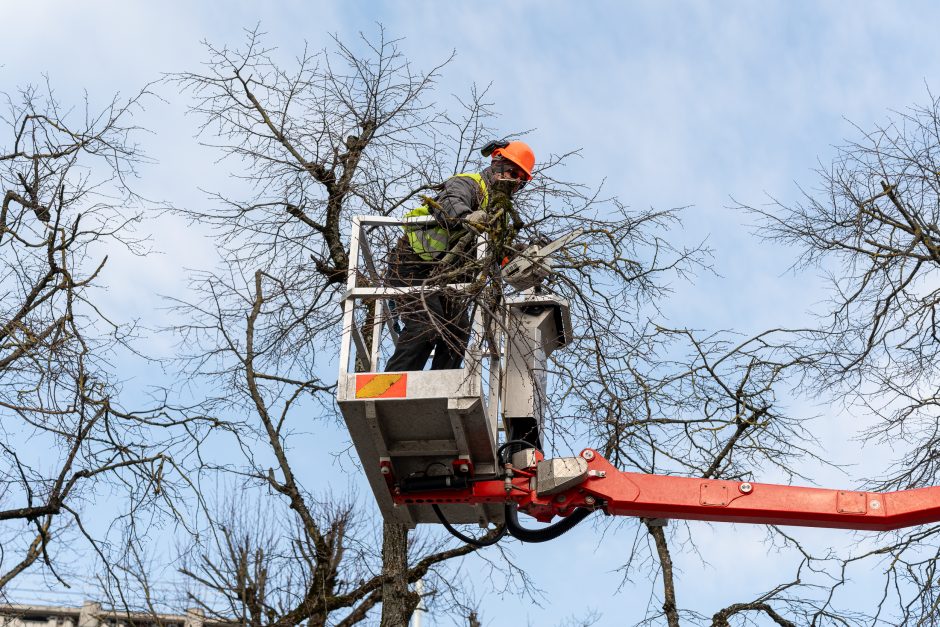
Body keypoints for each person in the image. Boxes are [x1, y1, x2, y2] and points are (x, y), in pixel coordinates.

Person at [384, 140, 535, 372]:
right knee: (426, 324)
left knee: (458, 331)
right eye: (513, 172)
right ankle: (392, 384)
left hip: (446, 280)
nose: (515, 182)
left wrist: (529, 257)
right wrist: (467, 217)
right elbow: (450, 202)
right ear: (497, 163)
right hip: (412, 265)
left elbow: (502, 253)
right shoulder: (469, 184)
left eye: (521, 180)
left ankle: (441, 387)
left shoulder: (498, 214)